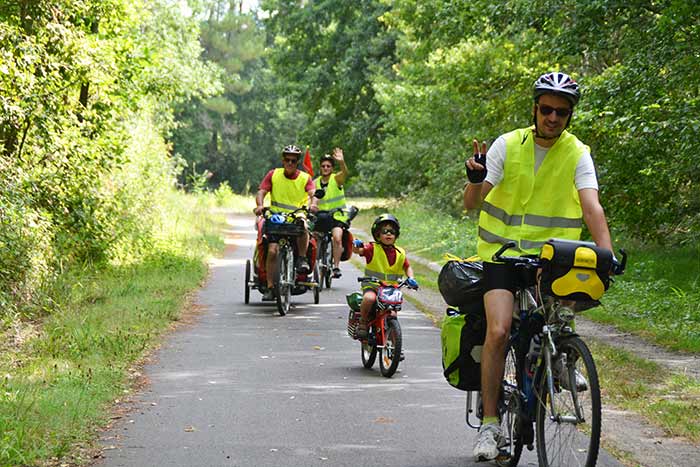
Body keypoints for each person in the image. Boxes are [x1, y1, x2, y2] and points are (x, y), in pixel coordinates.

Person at [463, 72, 614, 462]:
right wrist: (475, 181)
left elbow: (591, 205)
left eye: (561, 112)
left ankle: (560, 356)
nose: (552, 117)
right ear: (535, 108)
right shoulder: (507, 145)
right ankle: (491, 424)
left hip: (551, 257)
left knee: (561, 313)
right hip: (501, 254)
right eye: (546, 109)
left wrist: (605, 254)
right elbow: (470, 204)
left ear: (569, 116)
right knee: (498, 331)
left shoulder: (577, 152)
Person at [255, 145, 318, 300]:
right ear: (283, 160)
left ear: (297, 162)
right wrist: (260, 205)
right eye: (287, 160)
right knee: (272, 250)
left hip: (297, 216)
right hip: (276, 218)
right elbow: (261, 191)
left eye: (293, 160)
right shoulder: (273, 174)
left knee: (303, 225)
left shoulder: (305, 177)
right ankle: (270, 287)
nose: (290, 163)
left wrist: (314, 204)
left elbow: (313, 193)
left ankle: (302, 258)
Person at [351, 214, 418, 338]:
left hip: (391, 289)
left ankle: (394, 343)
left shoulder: (400, 252)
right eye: (384, 231)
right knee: (369, 299)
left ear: (396, 235)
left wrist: (411, 278)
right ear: (377, 235)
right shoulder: (372, 248)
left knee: (392, 313)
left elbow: (407, 266)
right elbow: (357, 251)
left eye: (392, 232)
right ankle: (363, 322)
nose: (388, 234)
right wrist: (356, 245)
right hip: (373, 286)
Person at [313, 147, 349, 278]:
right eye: (323, 166)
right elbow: (311, 198)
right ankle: (314, 265)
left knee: (337, 238)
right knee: (314, 238)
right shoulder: (315, 182)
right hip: (321, 217)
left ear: (332, 168)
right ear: (320, 168)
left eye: (328, 166)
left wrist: (341, 162)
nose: (326, 168)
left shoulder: (336, 179)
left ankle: (336, 267)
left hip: (336, 216)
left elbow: (345, 172)